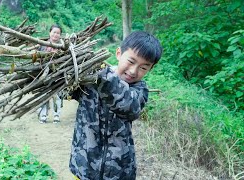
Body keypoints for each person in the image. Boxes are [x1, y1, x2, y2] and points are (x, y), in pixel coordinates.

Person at [69, 31, 162, 179]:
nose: (133, 71)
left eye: (143, 67)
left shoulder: (139, 90)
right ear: (119, 53)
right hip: (83, 165)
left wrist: (101, 74)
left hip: (118, 171)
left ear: (150, 69)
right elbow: (66, 91)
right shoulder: (90, 77)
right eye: (131, 61)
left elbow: (129, 107)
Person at [38, 24, 63, 124]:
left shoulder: (62, 47)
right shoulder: (42, 45)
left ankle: (56, 116)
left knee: (57, 96)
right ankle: (43, 116)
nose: (56, 35)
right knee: (44, 95)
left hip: (57, 75)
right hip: (44, 75)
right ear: (50, 33)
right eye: (54, 32)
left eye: (58, 33)